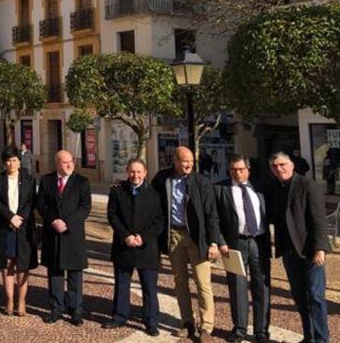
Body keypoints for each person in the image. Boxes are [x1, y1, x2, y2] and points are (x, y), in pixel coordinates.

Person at [152, 146, 222, 342]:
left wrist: (213, 242)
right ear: (175, 161)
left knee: (203, 283)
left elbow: (211, 213)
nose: (189, 164)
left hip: (197, 238)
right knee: (180, 282)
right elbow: (151, 201)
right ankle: (187, 323)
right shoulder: (163, 179)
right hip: (174, 235)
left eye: (191, 161)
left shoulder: (201, 182)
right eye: (185, 161)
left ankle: (206, 327)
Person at [267, 151, 329, 343]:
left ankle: (321, 339)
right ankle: (308, 336)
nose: (279, 169)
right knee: (299, 296)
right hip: (289, 250)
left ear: (292, 165)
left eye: (282, 164)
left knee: (315, 296)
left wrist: (320, 248)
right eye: (275, 166)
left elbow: (319, 219)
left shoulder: (307, 185)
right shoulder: (275, 187)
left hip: (310, 251)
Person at [104, 158, 163, 337]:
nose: (135, 175)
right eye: (132, 171)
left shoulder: (154, 193)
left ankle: (151, 321)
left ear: (145, 173)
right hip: (124, 245)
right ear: (127, 172)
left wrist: (142, 237)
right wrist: (126, 236)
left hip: (147, 248)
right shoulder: (117, 191)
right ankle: (119, 316)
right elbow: (112, 215)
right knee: (122, 284)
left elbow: (159, 221)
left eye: (139, 172)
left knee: (149, 287)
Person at [216, 154, 270, 343]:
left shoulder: (261, 188)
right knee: (237, 286)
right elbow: (214, 218)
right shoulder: (220, 189)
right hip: (235, 243)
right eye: (233, 169)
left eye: (241, 169)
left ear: (248, 169)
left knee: (261, 286)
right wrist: (220, 241)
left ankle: (261, 331)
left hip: (259, 242)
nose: (237, 173)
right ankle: (239, 329)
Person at [36, 149, 91, 326]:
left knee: (75, 274)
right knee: (55, 273)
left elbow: (85, 207)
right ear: (57, 163)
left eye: (71, 162)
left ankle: (76, 309)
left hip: (72, 234)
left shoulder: (82, 182)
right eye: (65, 162)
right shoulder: (46, 180)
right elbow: (41, 203)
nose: (68, 165)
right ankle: (56, 308)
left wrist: (67, 223)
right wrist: (53, 220)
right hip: (53, 234)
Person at [0, 145, 38, 317]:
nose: (12, 164)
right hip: (5, 227)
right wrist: (10, 217)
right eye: (8, 161)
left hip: (23, 228)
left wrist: (19, 218)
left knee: (23, 265)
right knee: (7, 264)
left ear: (19, 161)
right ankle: (9, 299)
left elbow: (31, 202)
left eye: (14, 160)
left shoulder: (29, 180)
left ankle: (22, 300)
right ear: (4, 163)